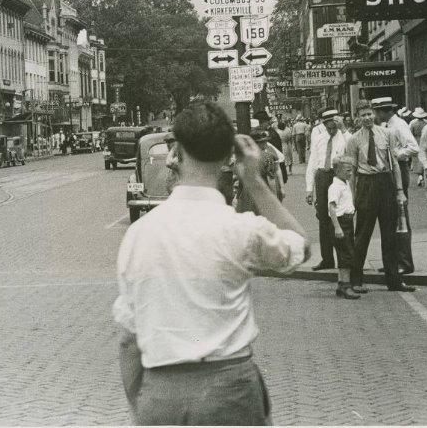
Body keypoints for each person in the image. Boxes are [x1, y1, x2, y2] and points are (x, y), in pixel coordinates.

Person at [113, 101, 310, 425]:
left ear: (175, 155)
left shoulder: (139, 235)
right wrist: (254, 179)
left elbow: (128, 339)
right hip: (230, 391)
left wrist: (145, 404)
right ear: (226, 159)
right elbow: (300, 245)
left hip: (162, 393)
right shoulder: (241, 229)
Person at [344, 100, 413, 293]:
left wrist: (399, 191)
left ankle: (394, 281)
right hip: (366, 185)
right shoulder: (354, 140)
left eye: (369, 114)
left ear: (373, 114)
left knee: (390, 236)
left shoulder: (387, 134)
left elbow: (395, 164)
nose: (366, 118)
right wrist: (352, 196)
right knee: (362, 235)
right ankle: (356, 280)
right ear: (357, 117)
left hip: (386, 183)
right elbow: (351, 171)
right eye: (362, 115)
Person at [371, 97, 417, 274]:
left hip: (399, 169)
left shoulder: (398, 125)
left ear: (384, 111)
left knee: (400, 216)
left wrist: (396, 154)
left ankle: (405, 262)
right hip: (389, 172)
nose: (376, 115)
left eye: (377, 111)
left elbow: (413, 147)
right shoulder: (387, 125)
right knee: (391, 217)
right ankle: (394, 260)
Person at [304, 108, 347, 271]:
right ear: (324, 123)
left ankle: (344, 260)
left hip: (338, 176)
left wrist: (343, 129)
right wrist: (309, 189)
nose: (332, 127)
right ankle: (327, 259)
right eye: (329, 124)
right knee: (323, 219)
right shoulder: (319, 138)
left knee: (340, 217)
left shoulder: (344, 137)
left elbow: (351, 148)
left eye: (335, 123)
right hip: (322, 177)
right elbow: (313, 163)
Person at [328, 156, 359, 300]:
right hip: (341, 223)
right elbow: (332, 208)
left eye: (351, 170)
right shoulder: (335, 187)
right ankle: (346, 286)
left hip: (347, 221)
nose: (350, 173)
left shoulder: (344, 183)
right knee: (346, 255)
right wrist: (337, 227)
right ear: (338, 170)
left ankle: (341, 284)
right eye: (347, 170)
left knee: (344, 253)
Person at [236, 129, 286, 213]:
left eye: (265, 142)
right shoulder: (264, 157)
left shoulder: (244, 157)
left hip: (254, 191)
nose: (265, 144)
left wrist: (282, 188)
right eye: (262, 142)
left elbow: (240, 179)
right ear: (255, 143)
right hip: (257, 192)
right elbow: (271, 179)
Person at [408, 107, 427, 187]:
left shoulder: (413, 123)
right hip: (425, 141)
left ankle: (420, 176)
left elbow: (409, 133)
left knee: (417, 159)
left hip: (416, 141)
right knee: (425, 157)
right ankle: (423, 175)